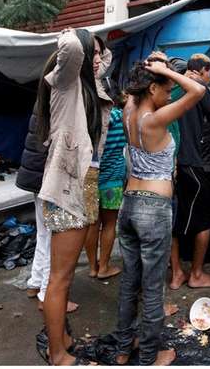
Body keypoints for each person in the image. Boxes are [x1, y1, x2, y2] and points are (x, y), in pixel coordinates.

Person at [112, 57, 205, 365]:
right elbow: (197, 91)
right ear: (152, 88)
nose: (170, 96)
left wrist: (155, 68)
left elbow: (137, 86)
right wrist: (166, 71)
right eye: (166, 90)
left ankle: (124, 348)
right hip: (153, 208)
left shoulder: (128, 112)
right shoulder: (155, 119)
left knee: (129, 283)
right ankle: (150, 356)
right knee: (152, 289)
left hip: (129, 204)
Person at [35, 28, 112, 365]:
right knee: (60, 277)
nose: (98, 59)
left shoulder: (90, 88)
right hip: (68, 185)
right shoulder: (65, 84)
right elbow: (68, 47)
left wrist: (96, 48)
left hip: (87, 182)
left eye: (99, 54)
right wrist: (79, 35)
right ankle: (57, 354)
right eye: (91, 54)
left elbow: (104, 60)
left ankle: (62, 337)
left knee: (68, 274)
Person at [168, 54, 210, 290]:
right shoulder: (198, 88)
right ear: (202, 71)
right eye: (209, 73)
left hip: (174, 164)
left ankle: (177, 272)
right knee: (204, 221)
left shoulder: (169, 92)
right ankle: (196, 274)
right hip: (194, 162)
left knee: (175, 220)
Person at [85, 90, 126, 280]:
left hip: (91, 178)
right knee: (110, 224)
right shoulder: (120, 118)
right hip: (113, 179)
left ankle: (93, 267)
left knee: (93, 224)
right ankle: (104, 267)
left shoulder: (89, 118)